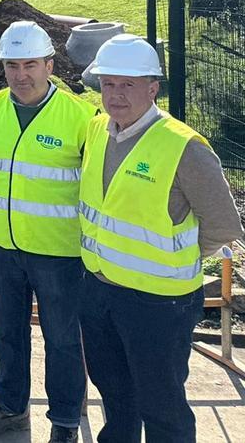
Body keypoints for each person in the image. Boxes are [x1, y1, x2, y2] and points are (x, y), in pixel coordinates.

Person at [79, 34, 243, 442]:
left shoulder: (184, 147)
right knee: (116, 397)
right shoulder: (99, 128)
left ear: (153, 88)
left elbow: (223, 226)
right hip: (100, 291)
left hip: (158, 305)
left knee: (162, 406)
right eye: (108, 84)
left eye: (128, 85)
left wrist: (173, 257)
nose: (115, 95)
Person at [0, 22, 96, 443]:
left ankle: (64, 423)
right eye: (12, 65)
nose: (21, 74)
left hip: (58, 252)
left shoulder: (81, 117)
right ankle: (10, 410)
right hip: (1, 247)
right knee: (7, 332)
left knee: (62, 340)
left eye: (30, 64)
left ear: (49, 65)